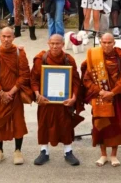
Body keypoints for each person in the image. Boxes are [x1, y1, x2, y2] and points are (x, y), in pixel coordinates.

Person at [82, 33, 121, 166]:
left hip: (115, 98)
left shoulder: (120, 59)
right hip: (99, 97)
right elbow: (87, 79)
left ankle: (114, 155)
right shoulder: (93, 57)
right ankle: (103, 155)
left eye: (109, 42)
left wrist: (113, 92)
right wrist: (99, 91)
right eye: (104, 42)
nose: (106, 45)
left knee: (116, 126)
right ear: (100, 42)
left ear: (114, 43)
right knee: (100, 126)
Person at [30, 34, 83, 166]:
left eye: (57, 43)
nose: (54, 46)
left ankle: (68, 151)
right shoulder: (41, 59)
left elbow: (76, 80)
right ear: (48, 43)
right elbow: (34, 79)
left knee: (65, 125)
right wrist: (37, 94)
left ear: (63, 44)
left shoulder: (68, 59)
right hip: (45, 100)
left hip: (63, 101)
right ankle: (44, 151)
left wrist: (74, 97)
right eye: (52, 43)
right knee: (44, 125)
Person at [0, 27, 32, 165]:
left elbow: (24, 75)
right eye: (4, 36)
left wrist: (11, 92)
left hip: (14, 94)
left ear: (13, 37)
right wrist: (0, 92)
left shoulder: (19, 53)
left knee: (18, 122)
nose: (6, 39)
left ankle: (18, 151)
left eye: (9, 36)